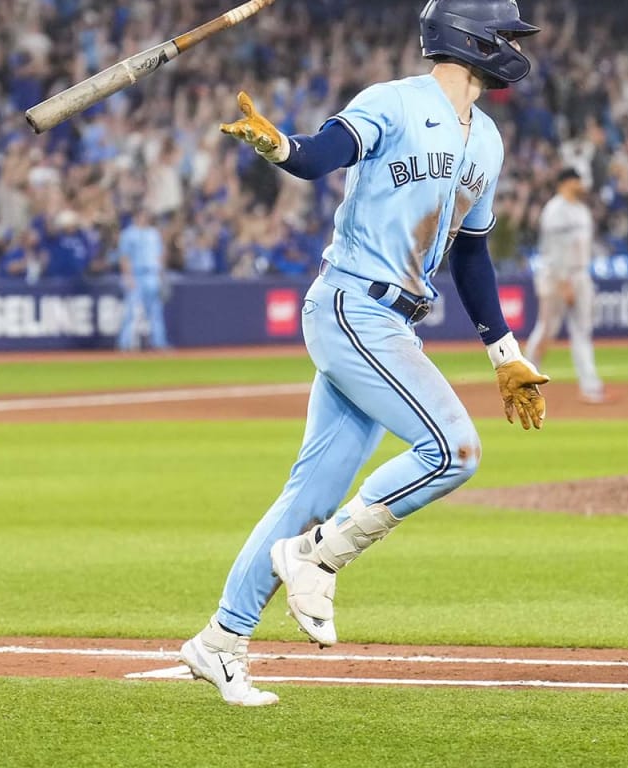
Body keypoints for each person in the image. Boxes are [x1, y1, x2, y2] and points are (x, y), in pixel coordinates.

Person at [178, 0, 547, 707]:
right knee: (454, 450)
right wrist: (279, 146)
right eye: (503, 33)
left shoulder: (490, 140)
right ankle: (320, 554)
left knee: (309, 495)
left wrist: (504, 353)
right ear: (469, 38)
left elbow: (472, 258)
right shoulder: (394, 101)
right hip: (353, 303)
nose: (513, 46)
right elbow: (322, 155)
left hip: (395, 322)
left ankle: (221, 641)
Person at [525, 168, 609, 403]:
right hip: (555, 276)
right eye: (577, 180)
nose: (581, 184)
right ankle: (525, 381)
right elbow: (553, 251)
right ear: (566, 182)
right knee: (546, 329)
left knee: (582, 332)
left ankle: (590, 387)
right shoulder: (555, 210)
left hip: (580, 274)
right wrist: (564, 282)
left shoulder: (582, 210)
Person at [116, 210, 170, 351]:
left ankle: (159, 343)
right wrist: (128, 277)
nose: (144, 218)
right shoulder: (128, 234)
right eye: (141, 215)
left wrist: (161, 275)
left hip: (152, 274)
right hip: (137, 274)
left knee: (156, 312)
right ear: (135, 217)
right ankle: (125, 344)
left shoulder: (153, 233)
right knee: (131, 311)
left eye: (146, 216)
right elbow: (124, 257)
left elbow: (160, 255)